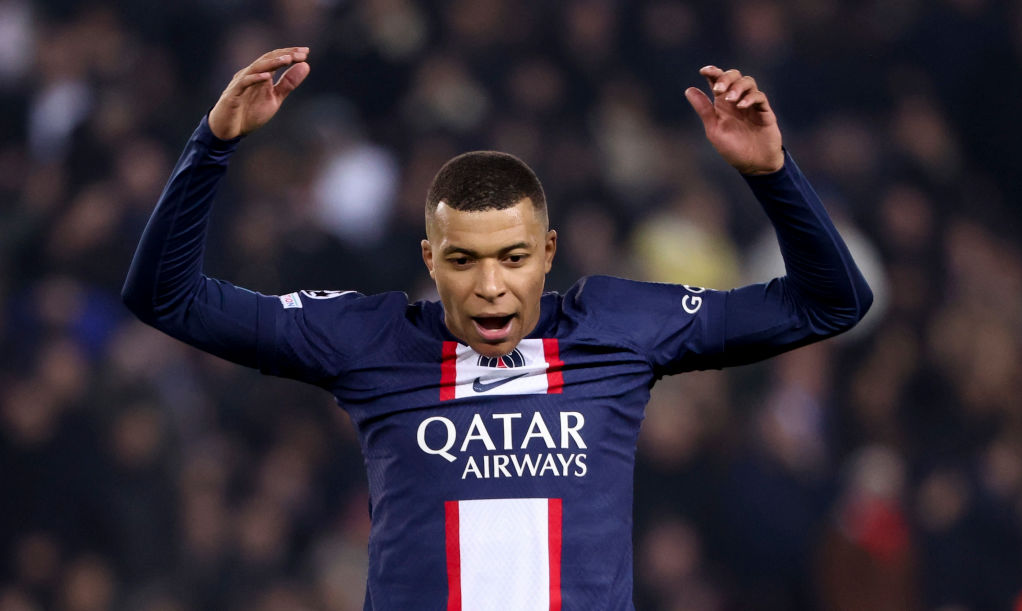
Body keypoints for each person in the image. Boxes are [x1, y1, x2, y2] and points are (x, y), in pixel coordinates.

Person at [123, 46, 872, 610]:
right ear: (430, 260)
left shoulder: (619, 326)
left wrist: (772, 173)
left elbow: (831, 302)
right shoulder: (370, 338)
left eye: (513, 257)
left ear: (548, 253)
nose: (490, 286)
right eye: (463, 260)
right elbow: (166, 297)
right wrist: (213, 143)